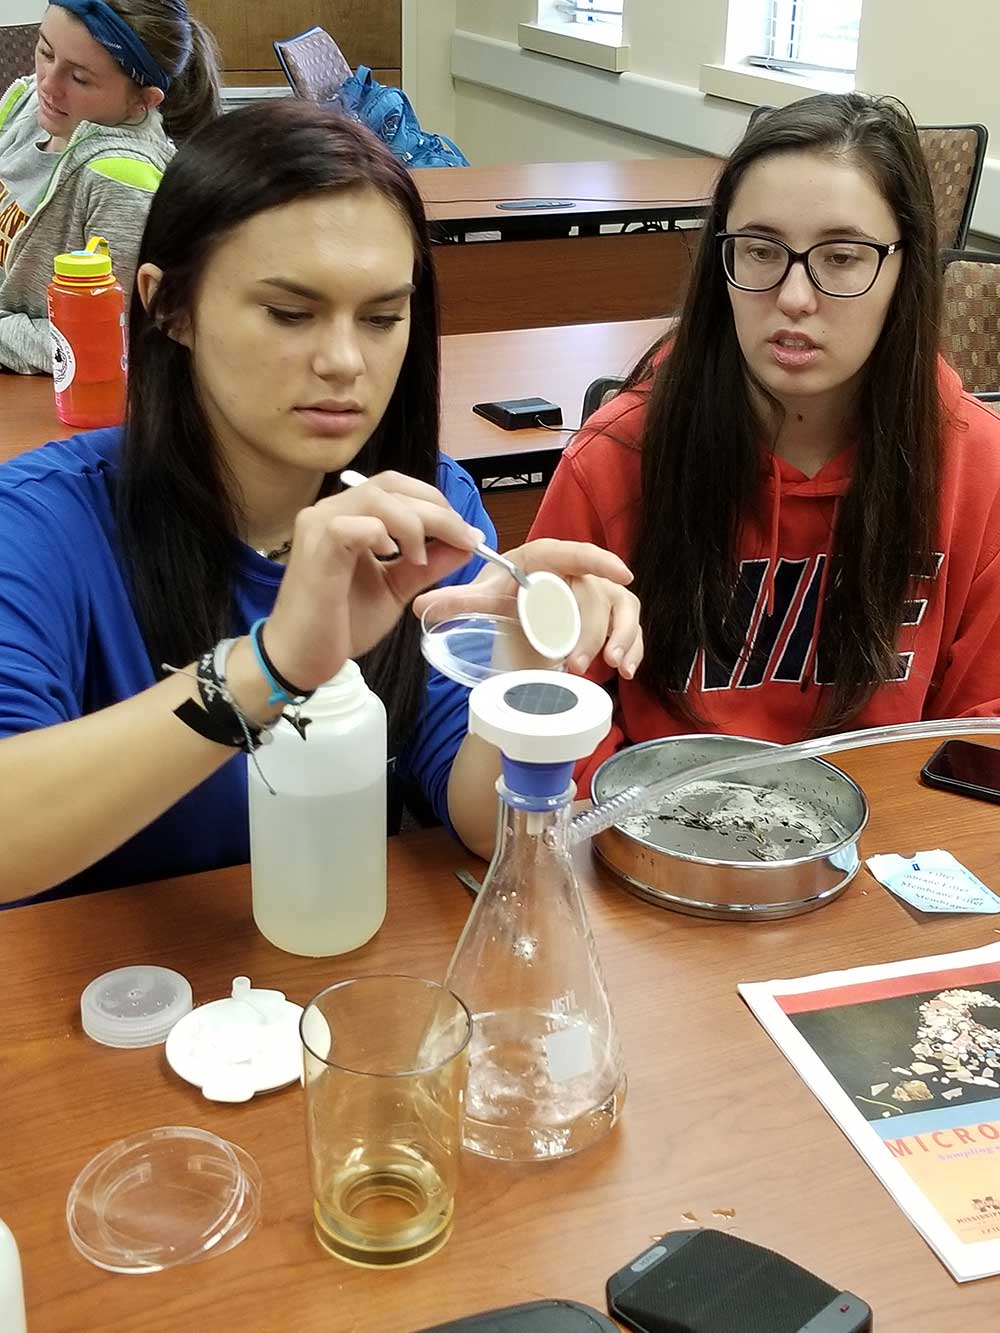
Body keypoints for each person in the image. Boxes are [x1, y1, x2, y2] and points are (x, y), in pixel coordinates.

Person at [0, 99, 641, 904]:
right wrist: (268, 667)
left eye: (382, 317)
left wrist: (526, 664)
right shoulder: (42, 525)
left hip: (329, 986)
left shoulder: (428, 508)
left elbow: (479, 823)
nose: (344, 361)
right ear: (170, 307)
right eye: (290, 313)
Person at [527, 92, 1000, 789]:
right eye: (760, 250)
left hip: (887, 858)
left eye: (842, 257)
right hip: (650, 849)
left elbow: (980, 740)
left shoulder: (977, 467)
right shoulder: (618, 459)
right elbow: (554, 726)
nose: (795, 297)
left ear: (906, 270)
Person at [0, 0, 221, 374]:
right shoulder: (26, 104)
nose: (48, 85)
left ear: (141, 101)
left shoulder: (123, 180)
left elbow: (103, 345)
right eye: (45, 52)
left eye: (80, 78)